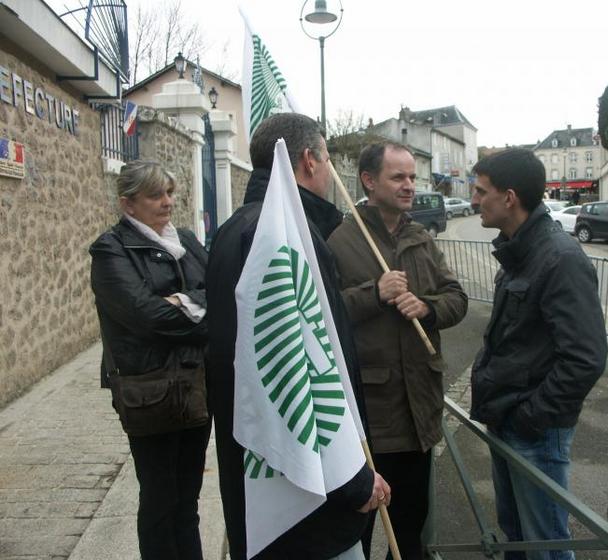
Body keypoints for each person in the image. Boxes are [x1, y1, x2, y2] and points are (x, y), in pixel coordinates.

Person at [206, 113, 389, 560]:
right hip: (308, 501)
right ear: (308, 160)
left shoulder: (233, 229)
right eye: (326, 159)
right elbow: (308, 366)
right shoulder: (288, 239)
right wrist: (356, 478)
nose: (329, 172)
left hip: (262, 484)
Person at [328, 141, 468, 560]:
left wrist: (427, 307)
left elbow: (457, 298)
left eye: (412, 177)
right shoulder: (341, 240)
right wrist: (375, 292)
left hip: (419, 409)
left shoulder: (419, 237)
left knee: (409, 527)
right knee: (361, 524)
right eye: (398, 177)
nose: (410, 186)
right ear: (369, 181)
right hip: (374, 415)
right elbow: (324, 314)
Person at [469, 148, 607, 560]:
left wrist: (531, 418)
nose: (474, 200)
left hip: (533, 430)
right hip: (507, 418)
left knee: (545, 544)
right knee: (518, 537)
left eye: (480, 191)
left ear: (508, 198)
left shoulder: (559, 258)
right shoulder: (518, 251)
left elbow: (585, 358)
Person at [89, 160, 211, 560]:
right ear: (128, 204)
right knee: (160, 499)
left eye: (170, 193)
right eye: (156, 195)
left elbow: (221, 294)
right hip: (151, 391)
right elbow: (144, 316)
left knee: (188, 499)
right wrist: (197, 309)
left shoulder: (187, 241)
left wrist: (182, 301)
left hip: (196, 387)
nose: (167, 202)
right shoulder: (111, 250)